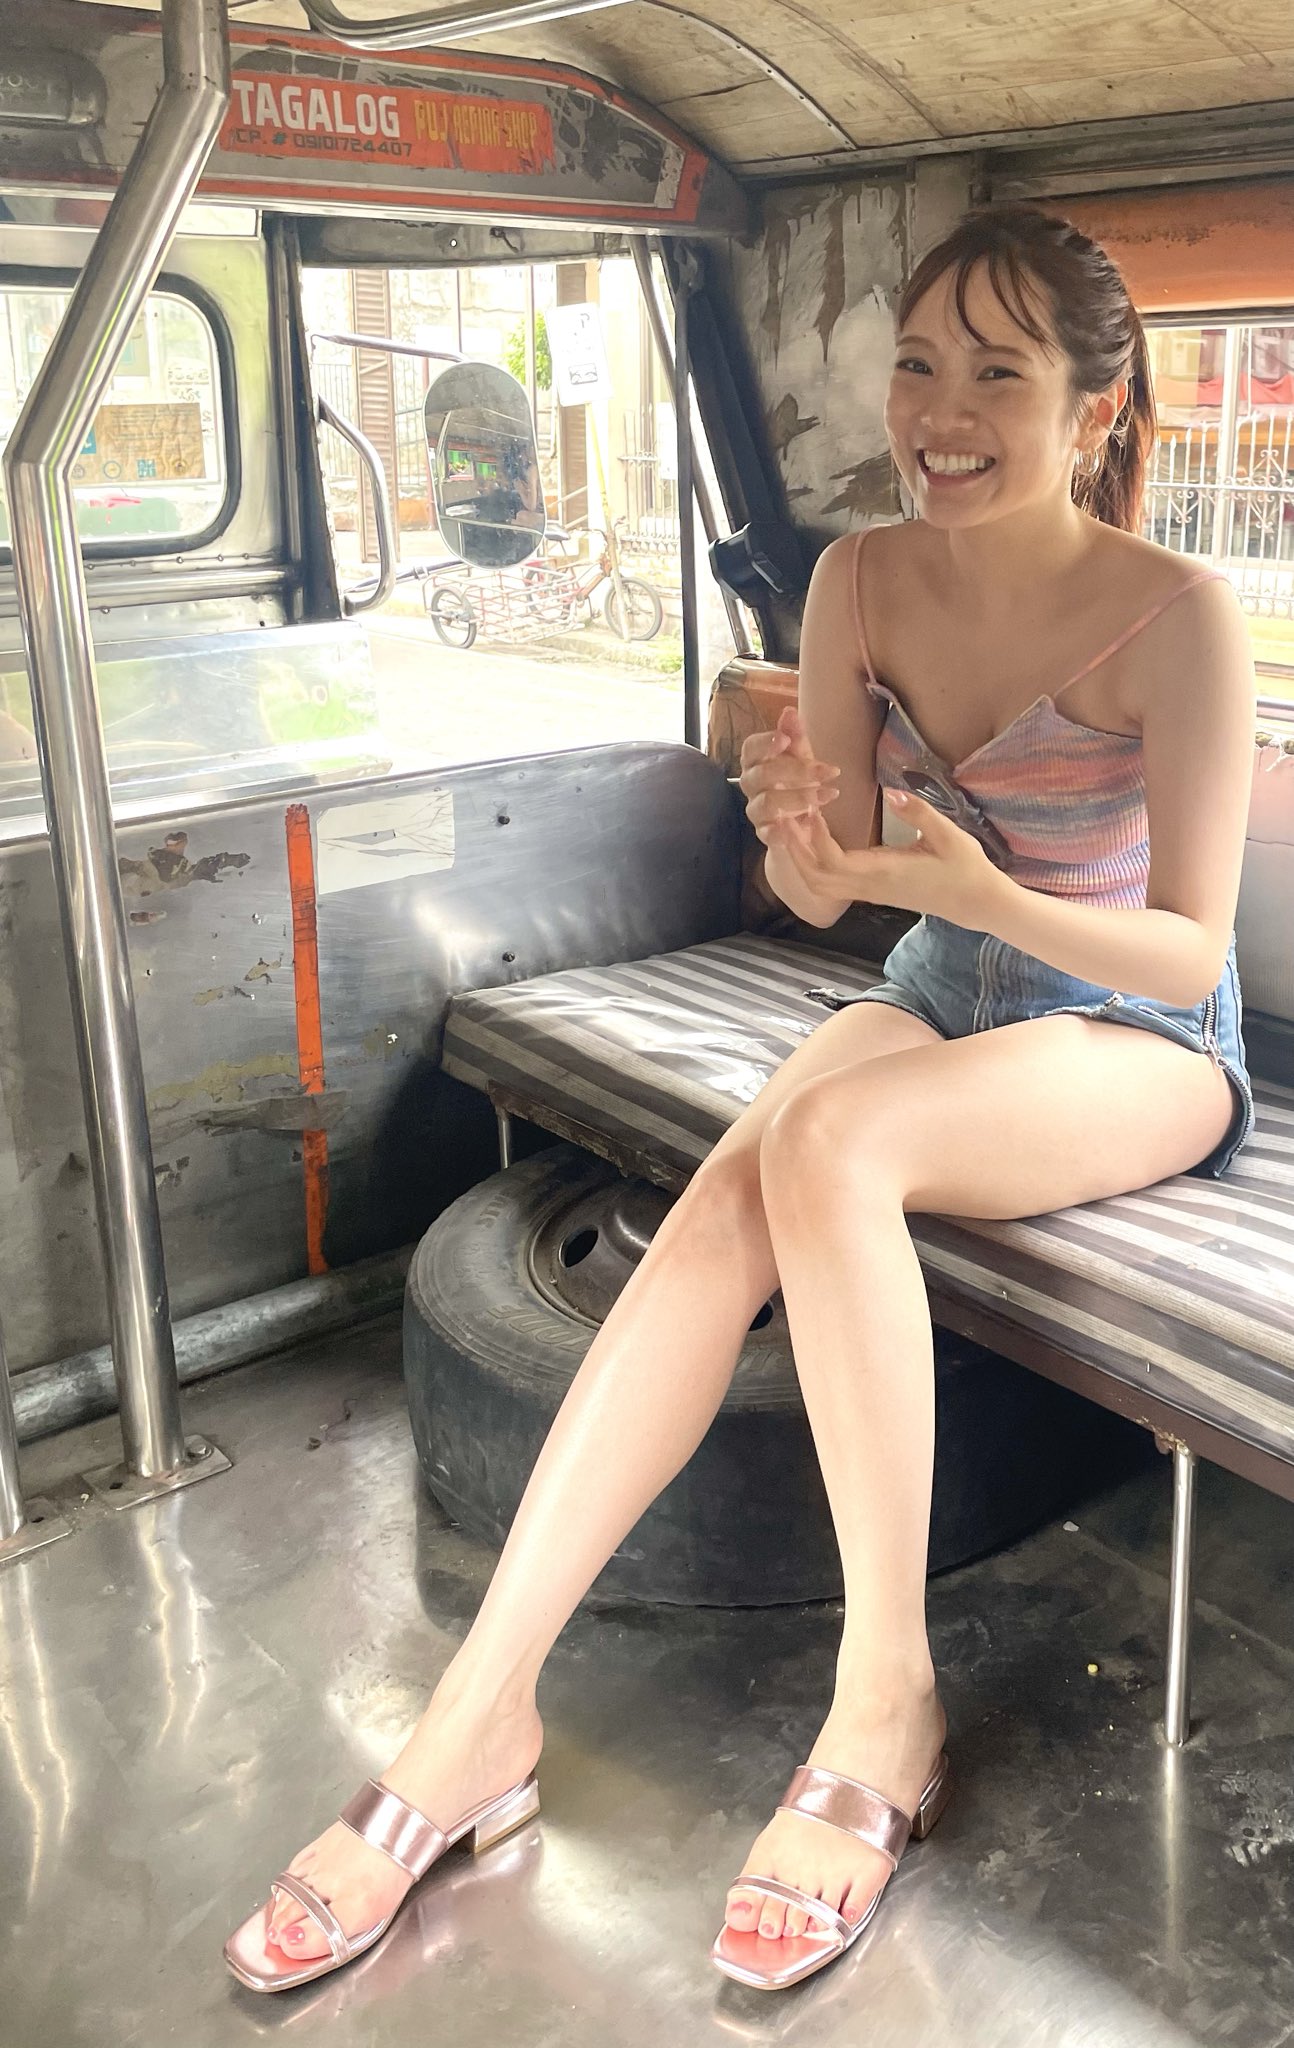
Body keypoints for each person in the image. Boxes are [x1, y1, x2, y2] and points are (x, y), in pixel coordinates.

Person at [224, 204, 1255, 1995]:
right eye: (915, 363)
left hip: (1136, 1033)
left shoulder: (1178, 615)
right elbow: (825, 886)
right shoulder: (857, 580)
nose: (937, 411)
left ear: (1090, 406)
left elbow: (1183, 946)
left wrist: (971, 892)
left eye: (994, 373)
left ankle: (885, 1699)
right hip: (936, 989)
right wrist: (799, 843)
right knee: (728, 1194)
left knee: (830, 1139)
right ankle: (476, 1716)